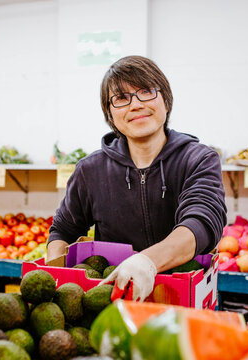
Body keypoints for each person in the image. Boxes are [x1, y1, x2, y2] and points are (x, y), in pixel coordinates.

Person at [47, 55, 227, 301]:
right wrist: (54, 277)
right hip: (113, 300)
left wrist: (147, 262)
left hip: (182, 296)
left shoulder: (198, 159)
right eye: (121, 98)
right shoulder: (90, 170)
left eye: (146, 91)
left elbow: (202, 223)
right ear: (110, 113)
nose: (135, 105)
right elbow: (63, 231)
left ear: (165, 99)